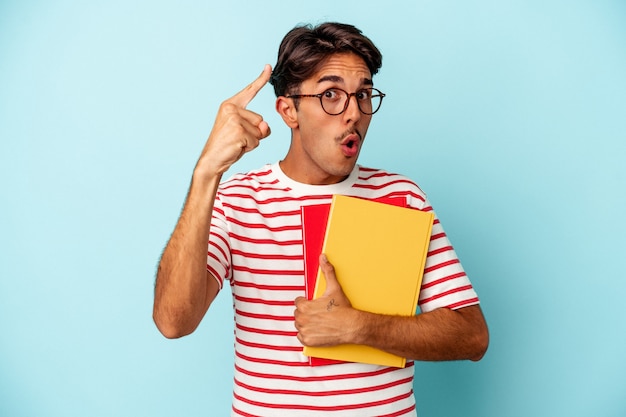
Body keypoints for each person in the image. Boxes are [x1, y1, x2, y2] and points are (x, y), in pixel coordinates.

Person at [153, 22, 489, 416]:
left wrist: (358, 327)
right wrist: (206, 174)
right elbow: (174, 321)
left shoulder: (401, 197)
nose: (353, 114)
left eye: (363, 95)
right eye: (331, 95)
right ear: (288, 110)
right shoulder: (238, 201)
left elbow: (472, 335)